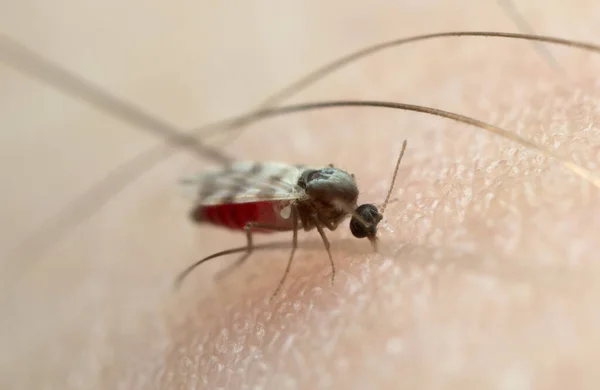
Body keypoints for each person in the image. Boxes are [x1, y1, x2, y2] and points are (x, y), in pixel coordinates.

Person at [3, 1, 600, 388]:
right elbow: (310, 210)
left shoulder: (343, 197)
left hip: (284, 192)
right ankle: (238, 240)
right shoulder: (329, 206)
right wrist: (301, 252)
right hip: (267, 196)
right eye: (363, 221)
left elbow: (322, 195)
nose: (364, 222)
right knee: (275, 222)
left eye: (364, 221)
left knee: (279, 215)